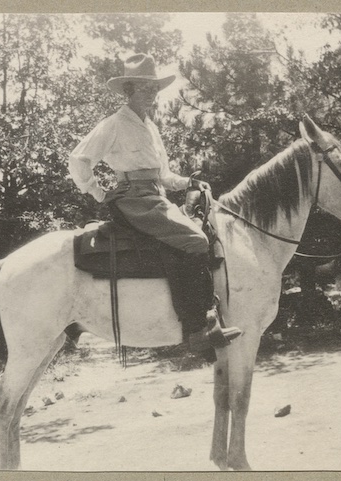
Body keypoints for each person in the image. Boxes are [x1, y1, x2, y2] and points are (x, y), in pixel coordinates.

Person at [68, 53, 242, 357]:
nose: (152, 93)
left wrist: (189, 182)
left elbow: (163, 176)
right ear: (128, 90)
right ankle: (197, 328)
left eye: (154, 88)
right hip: (134, 200)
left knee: (207, 230)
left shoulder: (150, 127)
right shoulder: (114, 124)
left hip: (154, 197)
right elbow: (79, 160)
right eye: (145, 88)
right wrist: (96, 192)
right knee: (195, 241)